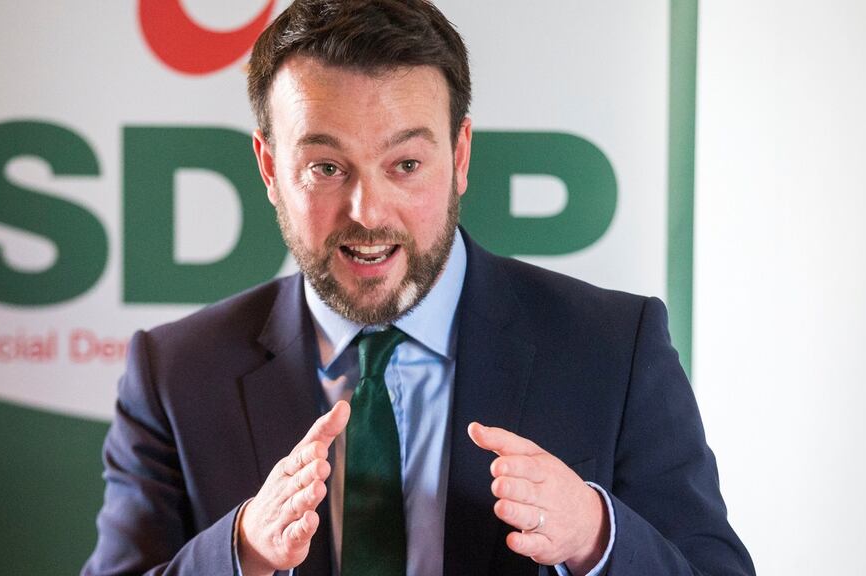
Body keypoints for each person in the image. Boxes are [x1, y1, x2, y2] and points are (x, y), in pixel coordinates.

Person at [83, 1, 755, 575]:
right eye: (325, 167)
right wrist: (241, 551)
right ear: (268, 167)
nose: (368, 212)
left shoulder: (612, 347)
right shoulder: (174, 373)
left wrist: (595, 536)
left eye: (405, 164)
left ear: (460, 156)